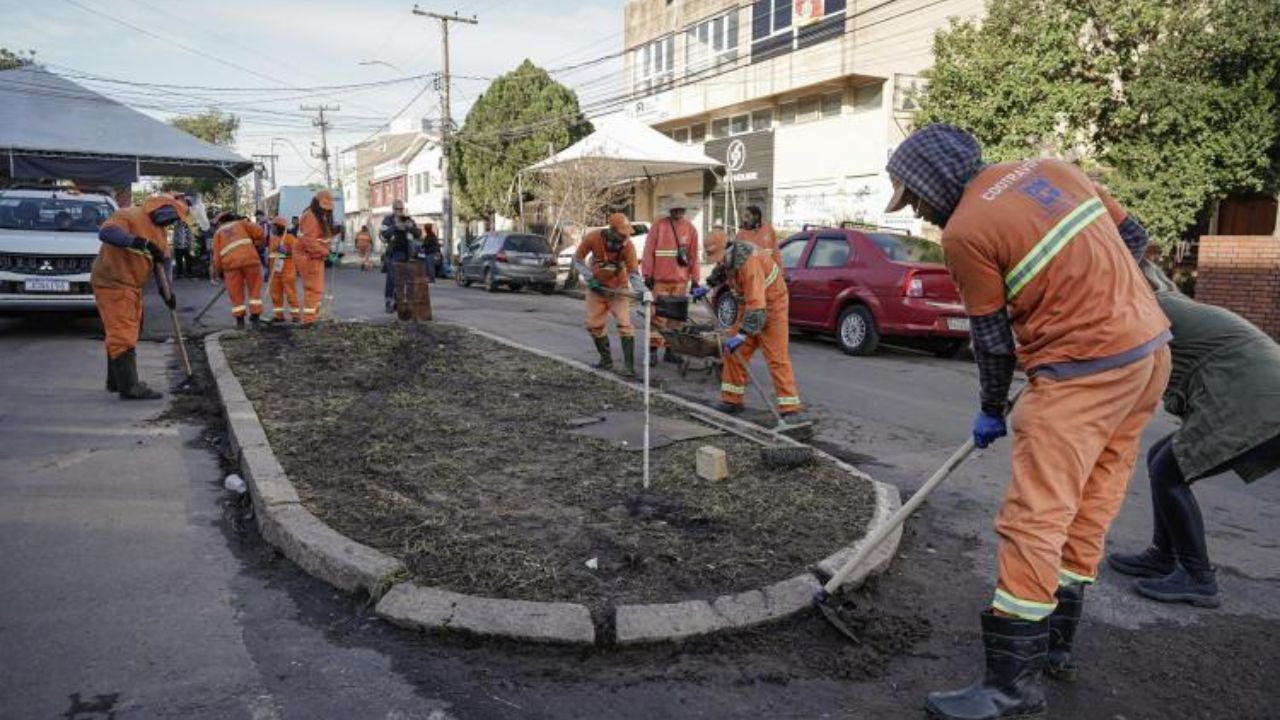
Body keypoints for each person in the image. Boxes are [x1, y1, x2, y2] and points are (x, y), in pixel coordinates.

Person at [884, 124, 1172, 720]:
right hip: (1147, 356)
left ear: (935, 180)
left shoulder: (965, 231)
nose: (918, 212)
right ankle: (1054, 649)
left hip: (1081, 374)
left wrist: (992, 409)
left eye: (914, 198)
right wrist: (1109, 301)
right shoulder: (1056, 170)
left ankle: (1011, 686)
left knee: (1033, 520)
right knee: (1089, 505)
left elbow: (992, 342)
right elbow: (1135, 237)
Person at [1105, 260, 1280, 608]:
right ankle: (1162, 555)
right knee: (1162, 457)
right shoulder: (1166, 302)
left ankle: (1198, 577)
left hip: (1258, 400)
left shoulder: (1150, 310)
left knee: (1169, 470)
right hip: (1255, 393)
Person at [92, 193, 188, 400]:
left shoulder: (161, 236)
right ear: (160, 209)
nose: (170, 223)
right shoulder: (129, 215)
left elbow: (162, 268)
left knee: (126, 330)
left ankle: (116, 381)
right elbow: (106, 233)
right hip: (112, 281)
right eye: (170, 218)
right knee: (123, 333)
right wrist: (138, 242)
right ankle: (130, 387)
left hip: (132, 286)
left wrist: (167, 294)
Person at [700, 231, 802, 419]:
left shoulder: (750, 263)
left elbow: (757, 305)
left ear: (728, 248)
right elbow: (723, 270)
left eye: (719, 257)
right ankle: (732, 400)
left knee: (777, 359)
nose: (718, 261)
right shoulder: (730, 257)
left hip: (772, 309)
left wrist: (741, 335)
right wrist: (708, 285)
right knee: (733, 353)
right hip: (749, 307)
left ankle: (790, 409)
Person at [572, 212, 648, 378]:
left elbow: (634, 273)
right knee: (593, 325)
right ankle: (606, 360)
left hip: (618, 289)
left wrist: (643, 293)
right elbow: (577, 260)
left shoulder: (628, 247)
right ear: (611, 231)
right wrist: (589, 278)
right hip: (596, 288)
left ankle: (629, 367)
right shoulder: (593, 238)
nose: (624, 239)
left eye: (626, 235)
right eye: (621, 235)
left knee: (624, 324)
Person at [642, 195, 700, 366]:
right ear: (671, 209)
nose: (678, 212)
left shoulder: (690, 229)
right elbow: (648, 251)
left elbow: (694, 256)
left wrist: (695, 280)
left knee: (676, 319)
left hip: (680, 283)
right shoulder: (658, 226)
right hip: (660, 281)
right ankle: (652, 351)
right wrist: (647, 275)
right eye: (676, 209)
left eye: (681, 209)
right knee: (657, 318)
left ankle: (670, 351)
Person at [210, 212, 268, 329]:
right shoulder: (242, 224)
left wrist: (218, 272)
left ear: (220, 222)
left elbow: (216, 256)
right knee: (255, 290)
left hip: (231, 266)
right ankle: (255, 319)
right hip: (250, 260)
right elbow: (260, 232)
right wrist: (256, 244)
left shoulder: (218, 233)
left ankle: (240, 322)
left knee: (236, 293)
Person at [296, 190, 335, 326]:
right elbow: (310, 242)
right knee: (313, 289)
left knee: (316, 289)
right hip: (309, 257)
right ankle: (309, 321)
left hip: (315, 257)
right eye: (324, 208)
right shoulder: (311, 216)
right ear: (317, 203)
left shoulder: (318, 215)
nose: (326, 211)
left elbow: (319, 237)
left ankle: (313, 317)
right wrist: (327, 253)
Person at [380, 199, 422, 312]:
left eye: (401, 209)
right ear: (393, 209)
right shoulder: (388, 220)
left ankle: (398, 302)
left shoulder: (407, 219)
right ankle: (389, 302)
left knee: (404, 280)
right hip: (392, 254)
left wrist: (410, 227)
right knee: (391, 279)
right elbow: (383, 235)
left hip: (406, 254)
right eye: (397, 209)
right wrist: (395, 227)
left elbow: (418, 233)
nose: (399, 211)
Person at [266, 216, 300, 323]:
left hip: (287, 270)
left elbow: (297, 253)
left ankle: (295, 316)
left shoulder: (290, 238)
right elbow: (270, 256)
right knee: (275, 294)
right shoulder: (273, 239)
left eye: (273, 226)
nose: (271, 228)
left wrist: (286, 252)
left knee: (290, 293)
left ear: (279, 227)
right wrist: (268, 270)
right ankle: (279, 316)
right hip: (274, 272)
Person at [171, 212, 193, 279]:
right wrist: (176, 244)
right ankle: (179, 274)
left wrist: (189, 244)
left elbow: (190, 237)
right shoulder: (176, 227)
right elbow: (175, 237)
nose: (181, 221)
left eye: (183, 220)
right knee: (179, 261)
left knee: (188, 260)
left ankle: (189, 273)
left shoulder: (187, 227)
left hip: (186, 246)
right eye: (180, 220)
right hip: (178, 247)